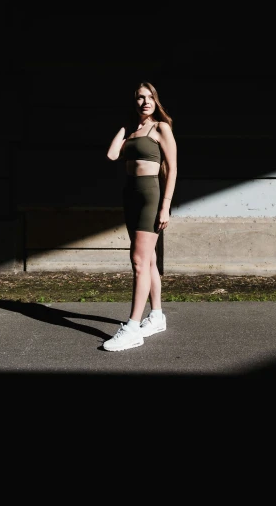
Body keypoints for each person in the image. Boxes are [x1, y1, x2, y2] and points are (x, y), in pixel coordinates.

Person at [103, 80, 178, 351]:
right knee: (149, 259)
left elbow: (172, 168)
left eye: (149, 97)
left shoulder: (161, 128)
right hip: (130, 195)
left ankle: (133, 327)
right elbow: (112, 154)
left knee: (138, 261)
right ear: (134, 102)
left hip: (150, 196)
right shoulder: (132, 132)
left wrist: (166, 205)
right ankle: (156, 316)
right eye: (139, 98)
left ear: (155, 100)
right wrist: (126, 125)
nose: (145, 101)